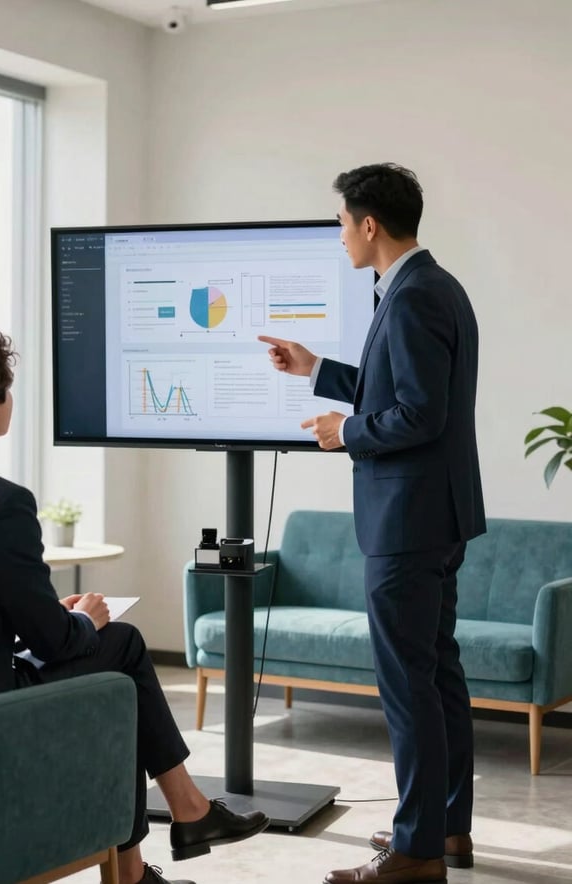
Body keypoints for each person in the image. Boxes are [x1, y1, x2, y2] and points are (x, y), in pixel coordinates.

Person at [0, 329, 269, 884]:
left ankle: (157, 849)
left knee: (111, 661)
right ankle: (182, 819)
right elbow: (56, 643)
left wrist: (51, 616)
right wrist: (81, 618)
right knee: (120, 647)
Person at [259, 163, 485, 884]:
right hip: (434, 515)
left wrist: (346, 430)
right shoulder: (429, 287)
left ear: (368, 224)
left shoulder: (416, 297)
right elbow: (403, 388)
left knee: (408, 683)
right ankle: (446, 829)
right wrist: (318, 368)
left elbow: (419, 414)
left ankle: (416, 851)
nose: (339, 237)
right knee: (437, 675)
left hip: (407, 521)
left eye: (340, 223)